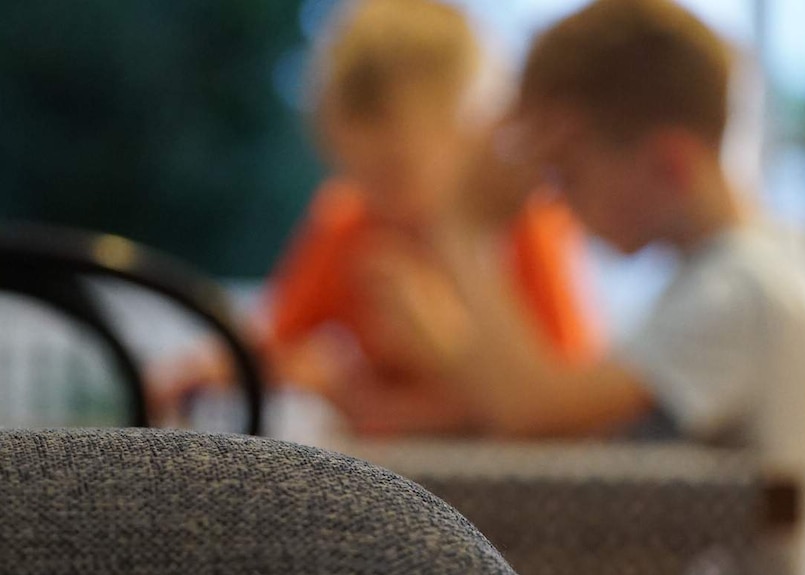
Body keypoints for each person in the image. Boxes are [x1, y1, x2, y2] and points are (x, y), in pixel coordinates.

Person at [330, 1, 805, 571]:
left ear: (668, 163)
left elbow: (534, 415)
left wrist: (464, 233)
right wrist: (452, 353)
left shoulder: (744, 287)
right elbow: (575, 435)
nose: (556, 199)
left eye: (568, 172)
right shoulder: (729, 276)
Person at [146, 0, 604, 434]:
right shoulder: (348, 221)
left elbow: (558, 404)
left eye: (395, 171)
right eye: (356, 172)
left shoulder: (526, 229)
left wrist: (440, 360)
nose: (377, 198)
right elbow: (273, 345)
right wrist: (202, 370)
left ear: (472, 134)